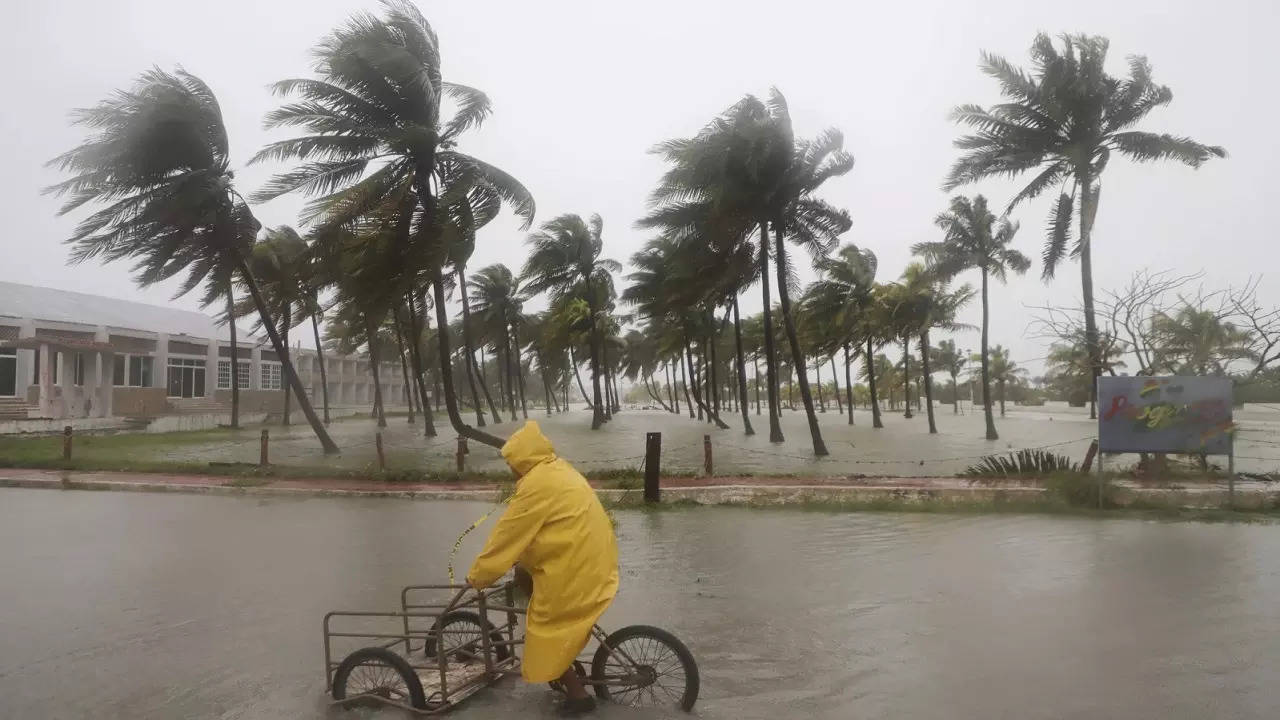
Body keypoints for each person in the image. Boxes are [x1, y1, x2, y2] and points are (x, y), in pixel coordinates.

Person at [466, 421, 619, 716]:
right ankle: (567, 661)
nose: (510, 470)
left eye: (512, 463)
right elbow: (549, 526)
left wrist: (478, 577)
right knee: (525, 577)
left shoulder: (536, 486)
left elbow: (507, 535)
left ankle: (577, 696)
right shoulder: (558, 469)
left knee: (543, 632)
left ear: (522, 460)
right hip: (594, 559)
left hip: (576, 569)